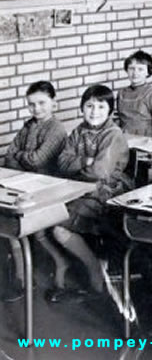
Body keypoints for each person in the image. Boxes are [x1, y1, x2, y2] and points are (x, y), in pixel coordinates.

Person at [48, 85, 132, 303]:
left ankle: (94, 268)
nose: (94, 111)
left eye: (101, 106)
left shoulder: (113, 134)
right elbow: (62, 163)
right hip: (79, 189)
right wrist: (86, 161)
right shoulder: (78, 131)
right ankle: (95, 263)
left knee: (58, 227)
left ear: (111, 110)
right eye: (89, 106)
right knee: (51, 216)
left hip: (107, 192)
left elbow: (100, 172)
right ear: (82, 108)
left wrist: (80, 167)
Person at [2, 81, 68, 301]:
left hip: (49, 189)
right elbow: (9, 156)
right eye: (31, 104)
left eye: (42, 103)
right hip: (26, 185)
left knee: (33, 229)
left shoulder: (56, 129)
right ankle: (21, 278)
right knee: (9, 223)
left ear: (54, 104)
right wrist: (23, 159)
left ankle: (59, 262)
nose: (36, 109)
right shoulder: (28, 126)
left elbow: (39, 159)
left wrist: (21, 157)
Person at [116, 50, 152, 137]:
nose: (135, 73)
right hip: (125, 138)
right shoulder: (121, 93)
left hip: (147, 139)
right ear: (126, 70)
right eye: (131, 68)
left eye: (140, 69)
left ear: (148, 72)